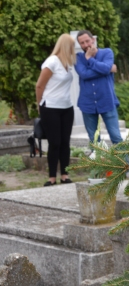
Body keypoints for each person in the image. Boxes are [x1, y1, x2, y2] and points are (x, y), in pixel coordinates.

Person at [35, 34, 76, 186]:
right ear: (66, 46)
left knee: (65, 142)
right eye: (72, 46)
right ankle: (52, 177)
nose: (74, 50)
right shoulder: (52, 62)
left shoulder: (68, 63)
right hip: (50, 107)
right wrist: (40, 105)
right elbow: (39, 85)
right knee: (55, 143)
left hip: (66, 107)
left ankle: (65, 175)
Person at [75, 30, 122, 145]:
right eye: (82, 43)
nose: (85, 45)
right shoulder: (78, 58)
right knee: (94, 139)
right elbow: (84, 74)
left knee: (116, 137)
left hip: (107, 101)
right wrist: (106, 69)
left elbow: (106, 69)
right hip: (87, 104)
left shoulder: (107, 52)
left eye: (87, 41)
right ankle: (98, 163)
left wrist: (90, 59)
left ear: (93, 40)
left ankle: (124, 163)